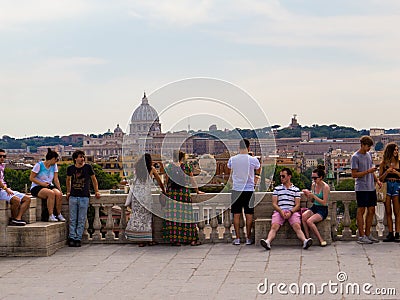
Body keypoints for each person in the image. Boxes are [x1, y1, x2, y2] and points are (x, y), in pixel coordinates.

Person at [260, 168, 313, 250]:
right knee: (274, 226)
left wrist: (291, 212)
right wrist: (281, 211)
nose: (281, 178)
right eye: (280, 176)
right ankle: (268, 241)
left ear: (289, 176)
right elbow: (274, 203)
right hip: (279, 210)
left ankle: (304, 241)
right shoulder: (277, 189)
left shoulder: (296, 189)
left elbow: (297, 205)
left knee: (297, 226)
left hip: (292, 211)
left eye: (283, 176)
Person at [162, 150, 204, 246]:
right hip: (183, 193)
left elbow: (166, 182)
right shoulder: (186, 167)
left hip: (173, 194)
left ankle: (175, 240)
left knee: (174, 217)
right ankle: (192, 239)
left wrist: (166, 192)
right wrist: (197, 191)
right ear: (182, 158)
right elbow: (192, 180)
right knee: (187, 217)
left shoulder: (169, 167)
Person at [125, 153, 165, 247]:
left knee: (137, 217)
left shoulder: (137, 169)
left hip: (136, 196)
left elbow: (132, 181)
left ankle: (140, 240)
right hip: (146, 196)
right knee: (147, 218)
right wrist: (164, 191)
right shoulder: (151, 169)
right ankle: (149, 239)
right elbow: (159, 181)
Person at [227, 139, 261, 245]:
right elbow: (258, 169)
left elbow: (229, 168)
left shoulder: (233, 159)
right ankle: (248, 238)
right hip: (248, 190)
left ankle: (237, 238)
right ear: (248, 147)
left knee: (236, 215)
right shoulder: (253, 159)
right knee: (249, 214)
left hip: (236, 189)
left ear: (239, 147)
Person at [351, 136, 382, 244]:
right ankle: (361, 235)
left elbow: (371, 170)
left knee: (371, 210)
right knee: (361, 210)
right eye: (368, 146)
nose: (369, 149)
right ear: (362, 145)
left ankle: (368, 234)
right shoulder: (355, 157)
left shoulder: (369, 155)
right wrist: (368, 171)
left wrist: (377, 180)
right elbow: (354, 174)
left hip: (370, 187)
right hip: (361, 187)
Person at [66, 150, 100, 247]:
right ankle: (72, 237)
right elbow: (68, 180)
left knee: (81, 219)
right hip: (73, 195)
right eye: (80, 157)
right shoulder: (70, 169)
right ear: (75, 159)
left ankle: (78, 238)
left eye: (83, 157)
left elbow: (94, 179)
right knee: (72, 219)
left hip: (84, 196)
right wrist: (68, 191)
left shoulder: (88, 167)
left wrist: (96, 190)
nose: (82, 159)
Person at [29, 148, 65, 222]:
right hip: (37, 186)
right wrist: (42, 184)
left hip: (49, 185)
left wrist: (60, 190)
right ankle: (50, 215)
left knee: (58, 194)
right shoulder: (39, 165)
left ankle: (58, 214)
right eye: (56, 159)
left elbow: (55, 179)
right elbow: (31, 178)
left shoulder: (54, 166)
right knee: (50, 193)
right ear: (52, 159)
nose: (56, 161)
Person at [0, 149, 31, 226]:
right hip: (1, 190)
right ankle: (14, 219)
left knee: (27, 199)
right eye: (0, 156)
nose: (2, 158)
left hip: (4, 188)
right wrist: (6, 189)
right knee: (16, 200)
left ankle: (18, 218)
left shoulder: (2, 166)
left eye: (4, 156)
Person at [302, 165, 330, 247]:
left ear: (321, 177)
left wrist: (314, 196)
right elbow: (312, 201)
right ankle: (307, 238)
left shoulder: (325, 187)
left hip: (322, 209)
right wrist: (308, 195)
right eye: (312, 178)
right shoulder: (313, 185)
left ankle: (321, 239)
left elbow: (324, 202)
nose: (313, 180)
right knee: (304, 216)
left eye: (315, 178)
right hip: (315, 207)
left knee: (309, 221)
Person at [378, 142, 400, 242]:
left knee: (397, 211)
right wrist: (387, 172)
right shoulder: (383, 163)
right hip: (387, 186)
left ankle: (397, 233)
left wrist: (396, 172)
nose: (396, 151)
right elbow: (380, 179)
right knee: (388, 211)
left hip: (396, 185)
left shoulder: (399, 162)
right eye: (394, 150)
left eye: (397, 150)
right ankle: (390, 233)